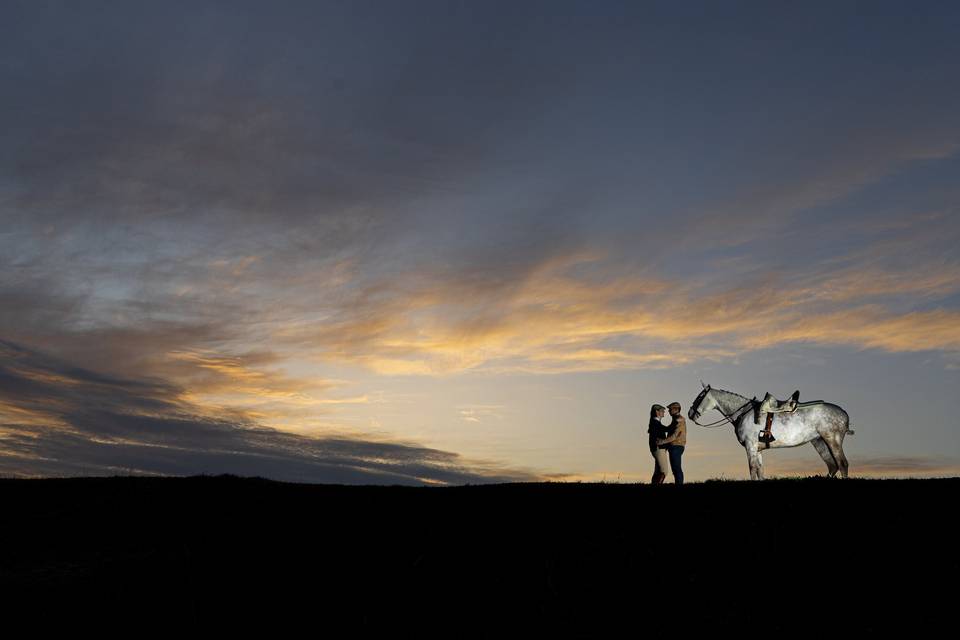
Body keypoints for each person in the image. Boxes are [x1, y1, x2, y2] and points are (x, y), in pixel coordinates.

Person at [656, 402, 686, 485]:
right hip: (674, 446)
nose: (669, 411)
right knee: (675, 469)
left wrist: (662, 442)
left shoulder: (679, 420)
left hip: (676, 446)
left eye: (670, 409)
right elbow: (669, 429)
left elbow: (674, 436)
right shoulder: (675, 419)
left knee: (676, 469)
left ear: (676, 409)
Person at [647, 404, 669, 484]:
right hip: (659, 448)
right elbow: (666, 429)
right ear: (657, 412)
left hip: (657, 448)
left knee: (657, 471)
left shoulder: (655, 422)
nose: (664, 412)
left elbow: (666, 428)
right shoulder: (655, 423)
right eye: (662, 411)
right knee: (664, 471)